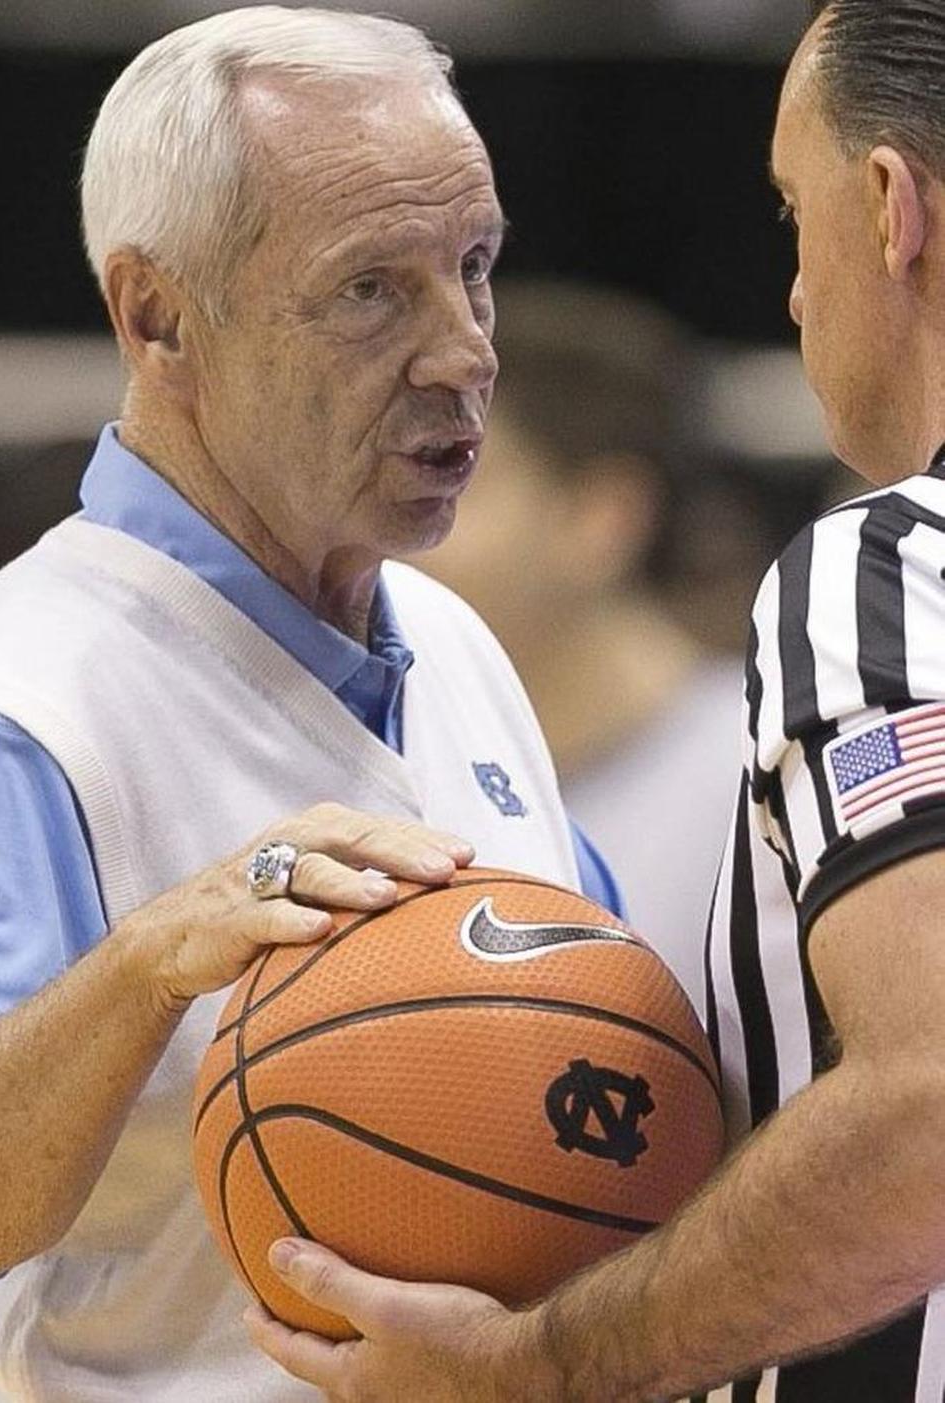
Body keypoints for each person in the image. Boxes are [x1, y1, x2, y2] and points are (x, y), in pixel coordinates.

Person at [0, 9, 620, 1400]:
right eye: (374, 289)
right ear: (158, 313)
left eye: (473, 267)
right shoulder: (19, 704)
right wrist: (148, 962)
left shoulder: (459, 642)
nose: (466, 351)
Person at [247, 3, 945, 1399]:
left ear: (890, 208)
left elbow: (931, 1100)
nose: (796, 292)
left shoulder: (887, 565)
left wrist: (537, 1362)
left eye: (790, 211)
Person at [422, 279, 741, 1014]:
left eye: (454, 476)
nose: (404, 533)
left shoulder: (759, 779)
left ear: (603, 516)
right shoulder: (390, 773)